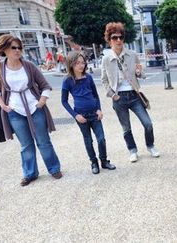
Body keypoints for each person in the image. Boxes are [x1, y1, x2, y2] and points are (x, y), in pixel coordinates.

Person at [0, 34, 62, 186]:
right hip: (15, 111)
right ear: (4, 49)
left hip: (34, 108)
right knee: (25, 145)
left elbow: (45, 86)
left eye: (19, 47)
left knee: (43, 141)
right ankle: (30, 173)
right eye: (13, 48)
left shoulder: (28, 65)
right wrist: (3, 106)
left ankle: (54, 168)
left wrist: (41, 102)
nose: (17, 50)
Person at [101, 22, 160, 163]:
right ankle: (132, 150)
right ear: (109, 40)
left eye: (121, 37)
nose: (118, 40)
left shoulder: (132, 55)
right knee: (126, 127)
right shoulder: (106, 59)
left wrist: (139, 73)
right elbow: (104, 80)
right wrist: (112, 95)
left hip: (134, 95)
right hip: (118, 97)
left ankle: (150, 145)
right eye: (114, 38)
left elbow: (140, 73)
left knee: (148, 123)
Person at [61, 51, 116, 174]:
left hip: (94, 114)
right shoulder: (67, 80)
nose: (81, 65)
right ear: (71, 64)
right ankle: (94, 162)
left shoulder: (89, 78)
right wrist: (75, 115)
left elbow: (95, 95)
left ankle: (104, 161)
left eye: (82, 62)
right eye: (77, 63)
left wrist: (99, 109)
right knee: (88, 140)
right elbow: (64, 101)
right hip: (81, 117)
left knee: (101, 138)